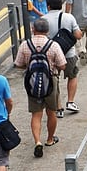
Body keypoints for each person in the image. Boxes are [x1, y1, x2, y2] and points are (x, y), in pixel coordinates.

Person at [13, 17, 69, 157]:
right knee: (51, 112)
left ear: (33, 29)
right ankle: (50, 139)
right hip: (51, 82)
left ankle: (37, 141)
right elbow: (63, 65)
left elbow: (18, 65)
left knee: (36, 115)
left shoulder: (25, 45)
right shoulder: (53, 45)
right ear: (47, 31)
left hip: (32, 84)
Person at [46, 0, 84, 117]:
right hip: (69, 53)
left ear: (48, 6)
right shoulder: (69, 17)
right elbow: (78, 35)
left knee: (54, 80)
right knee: (72, 76)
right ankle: (71, 102)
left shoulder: (44, 19)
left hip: (51, 56)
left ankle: (58, 108)